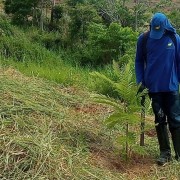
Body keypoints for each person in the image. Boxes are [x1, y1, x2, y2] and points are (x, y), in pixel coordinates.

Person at [135, 12, 180, 166]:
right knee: (160, 119)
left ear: (166, 26)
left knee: (175, 119)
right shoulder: (144, 39)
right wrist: (140, 81)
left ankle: (179, 153)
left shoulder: (175, 39)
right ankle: (165, 153)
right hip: (154, 88)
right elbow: (139, 61)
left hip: (171, 87)